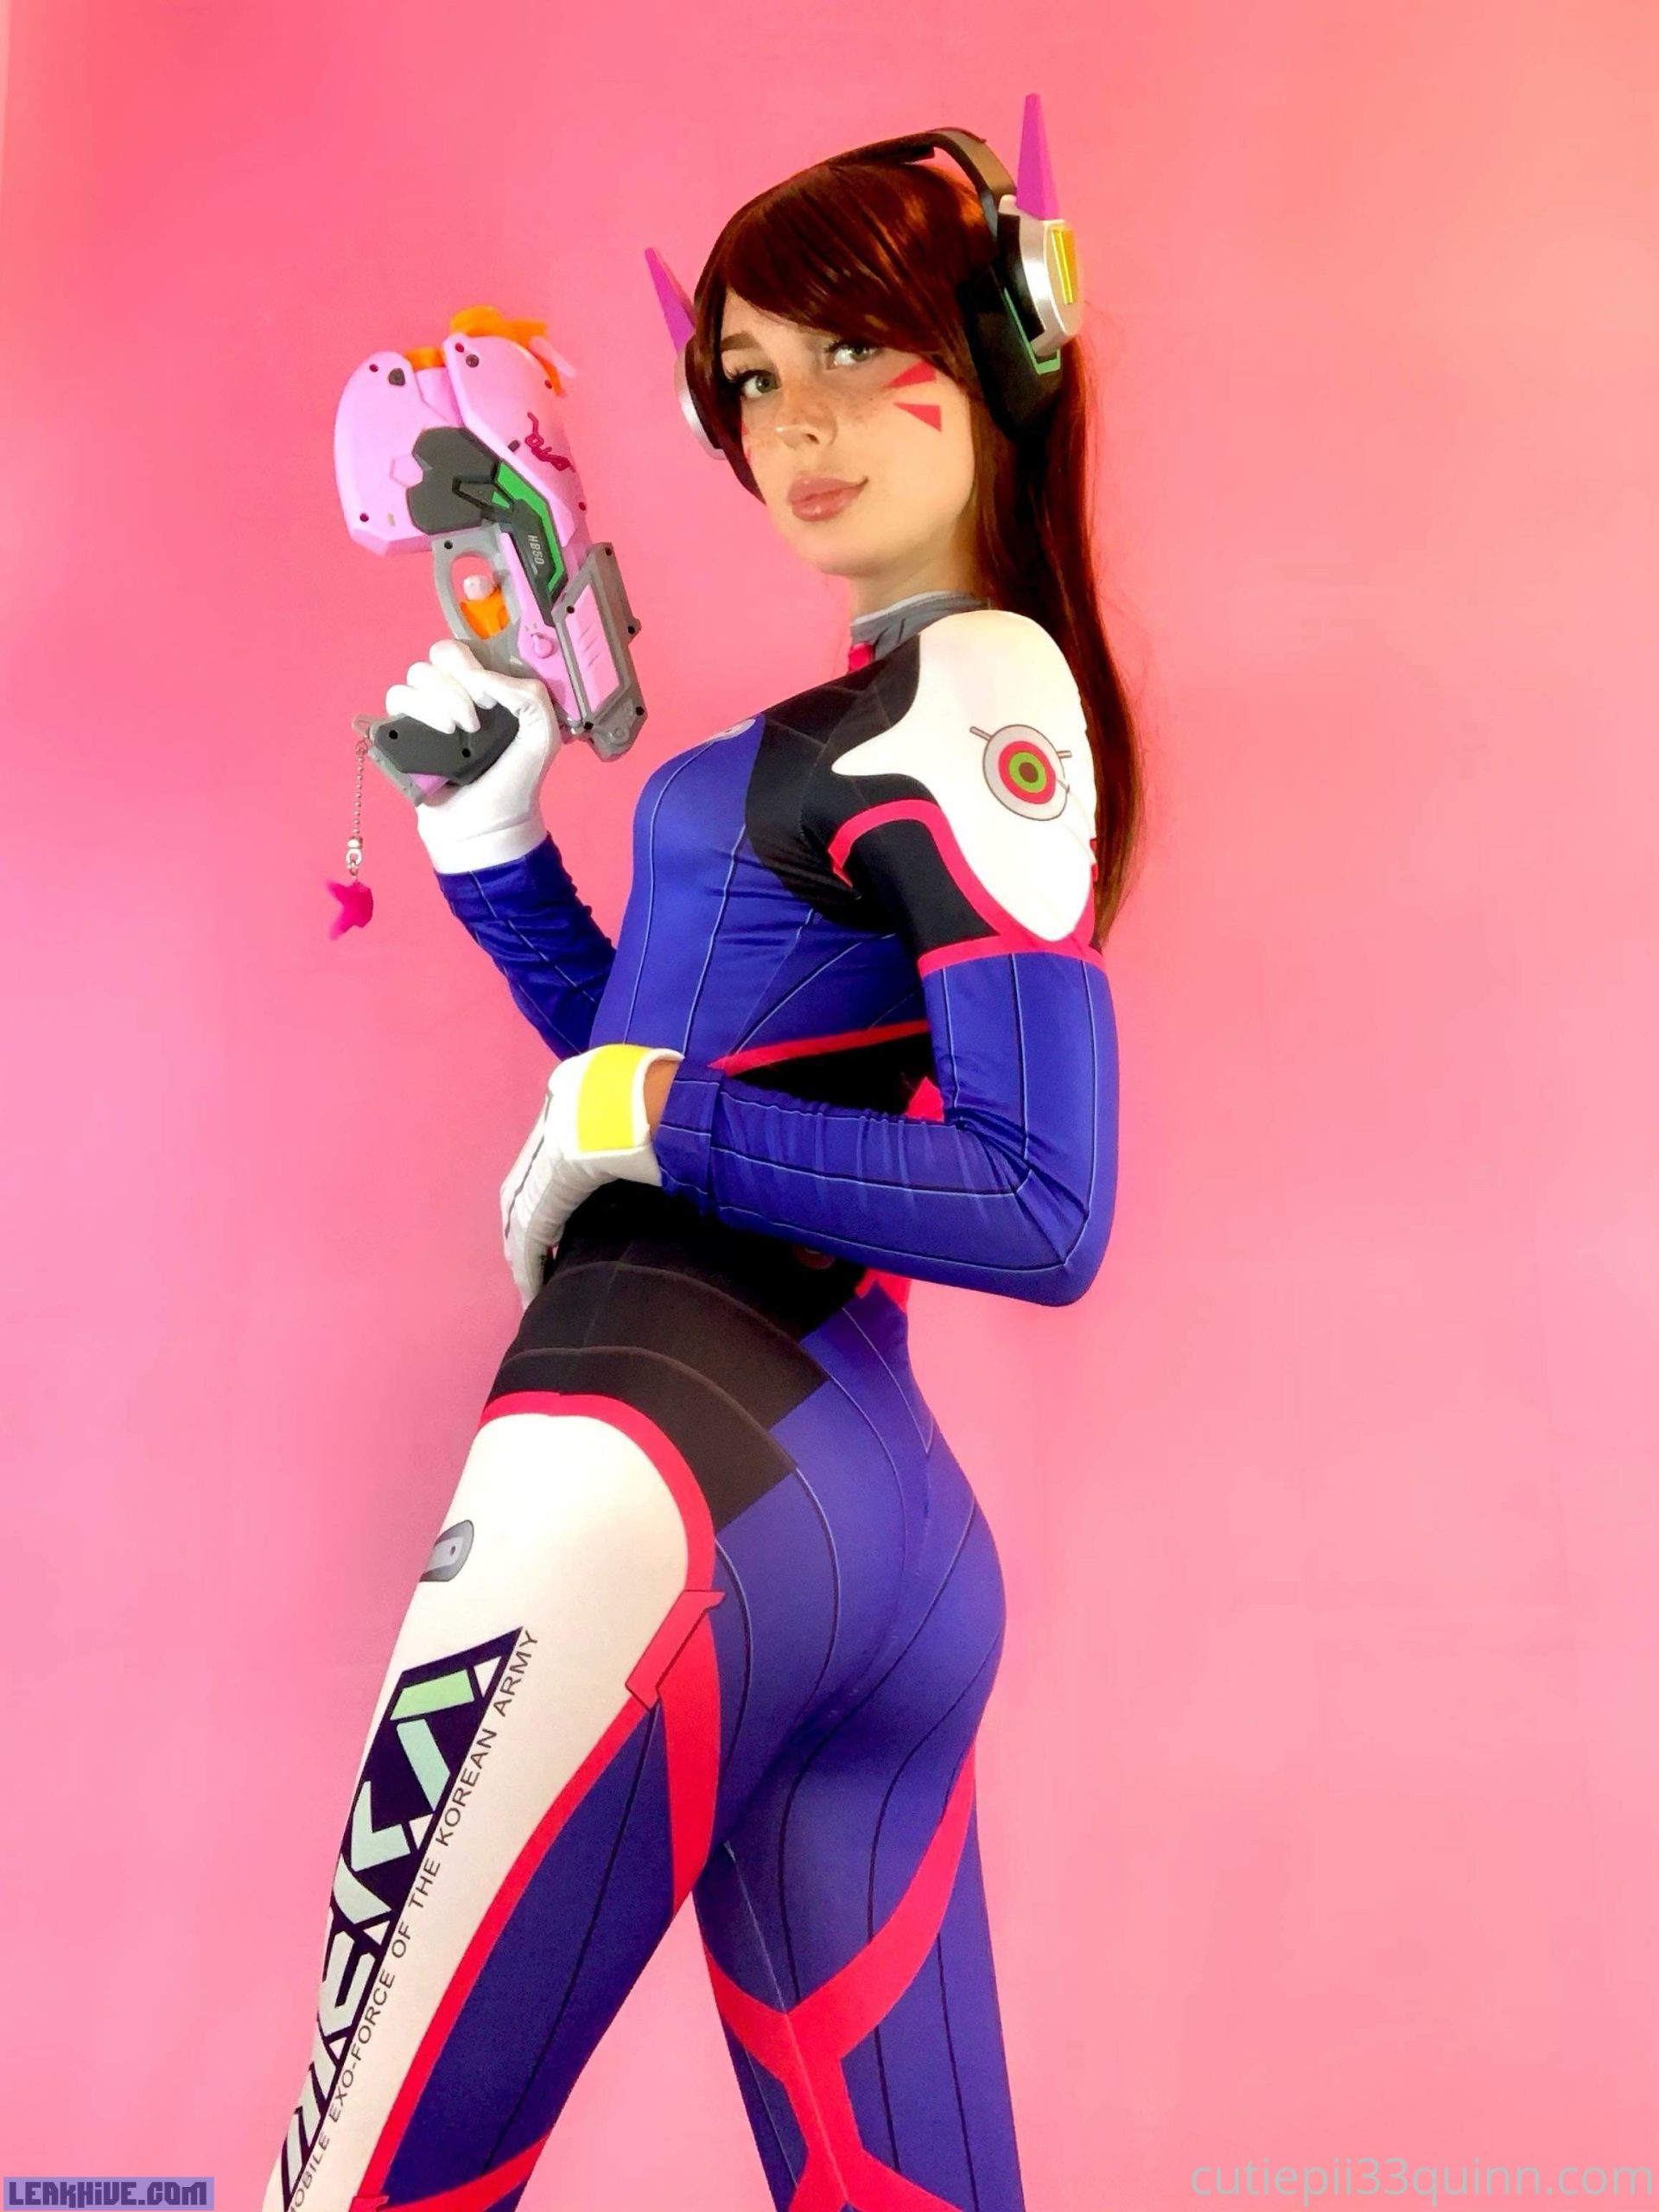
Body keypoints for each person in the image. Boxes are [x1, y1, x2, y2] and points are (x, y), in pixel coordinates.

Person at [264, 125, 1141, 2212]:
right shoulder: (869, 720)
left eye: (856, 351)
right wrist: (498, 858)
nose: (798, 424)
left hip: (655, 1471)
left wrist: (650, 1117)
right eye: (752, 376)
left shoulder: (980, 681)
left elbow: (1041, 1200)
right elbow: (673, 1085)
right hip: (839, 1509)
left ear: (1006, 345)